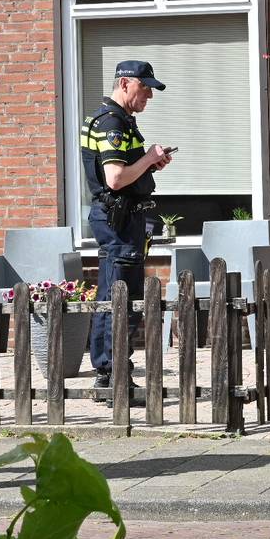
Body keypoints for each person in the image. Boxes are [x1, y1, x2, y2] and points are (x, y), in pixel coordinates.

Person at [81, 60, 173, 390]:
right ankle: (111, 373)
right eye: (144, 87)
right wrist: (147, 159)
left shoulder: (119, 120)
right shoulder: (112, 123)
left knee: (112, 293)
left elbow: (126, 174)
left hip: (121, 217)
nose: (149, 94)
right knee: (120, 296)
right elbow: (115, 178)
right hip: (117, 219)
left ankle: (110, 371)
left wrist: (150, 166)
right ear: (124, 84)